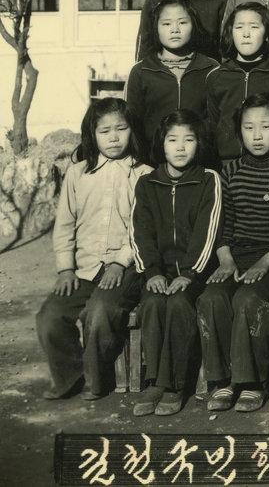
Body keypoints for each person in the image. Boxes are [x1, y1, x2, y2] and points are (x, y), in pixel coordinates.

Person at [36, 99, 152, 401]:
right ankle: (69, 376)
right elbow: (64, 225)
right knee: (50, 317)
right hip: (84, 268)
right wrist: (66, 269)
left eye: (121, 129)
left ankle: (97, 379)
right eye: (104, 131)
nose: (113, 138)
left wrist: (120, 263)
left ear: (132, 131)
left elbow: (144, 229)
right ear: (92, 134)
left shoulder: (144, 174)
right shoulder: (78, 174)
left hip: (125, 269)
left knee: (100, 313)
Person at [197, 94, 269, 413]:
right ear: (239, 131)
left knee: (247, 298)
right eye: (249, 127)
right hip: (235, 255)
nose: (257, 135)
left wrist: (265, 262)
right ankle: (221, 380)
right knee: (212, 297)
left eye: (265, 127)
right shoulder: (230, 171)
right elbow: (222, 224)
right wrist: (226, 259)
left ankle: (252, 381)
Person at [130, 110, 222, 416]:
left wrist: (190, 273)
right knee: (153, 303)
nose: (180, 147)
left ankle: (174, 385)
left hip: (196, 272)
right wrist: (152, 272)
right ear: (162, 144)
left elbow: (208, 231)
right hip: (158, 271)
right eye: (172, 140)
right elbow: (140, 232)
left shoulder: (208, 179)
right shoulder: (146, 183)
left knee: (180, 303)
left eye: (189, 140)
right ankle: (154, 381)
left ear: (199, 144)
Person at [126, 0, 219, 154]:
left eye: (182, 22)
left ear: (194, 25)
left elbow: (217, 121)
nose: (175, 29)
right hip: (153, 159)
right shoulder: (141, 71)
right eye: (166, 24)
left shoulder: (211, 68)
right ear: (156, 27)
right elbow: (133, 123)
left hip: (200, 158)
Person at [206, 3, 269, 162]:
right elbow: (212, 126)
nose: (246, 34)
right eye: (239, 27)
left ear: (267, 33)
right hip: (227, 164)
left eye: (254, 27)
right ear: (230, 32)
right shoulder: (216, 76)